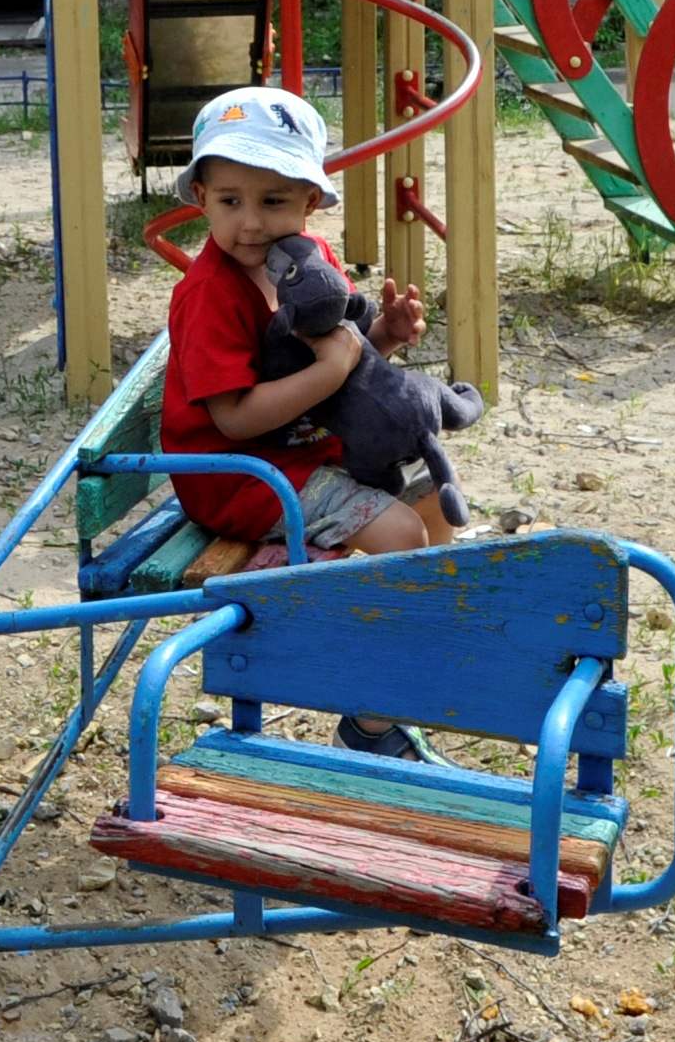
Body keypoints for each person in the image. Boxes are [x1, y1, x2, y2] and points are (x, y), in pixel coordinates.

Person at [157, 83, 462, 759]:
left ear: (309, 202)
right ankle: (371, 723)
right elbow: (234, 420)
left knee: (435, 502)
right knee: (403, 534)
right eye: (230, 201)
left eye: (273, 202)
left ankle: (395, 654)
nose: (251, 224)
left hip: (299, 450)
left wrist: (379, 338)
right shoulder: (210, 293)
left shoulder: (310, 262)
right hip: (238, 476)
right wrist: (333, 367)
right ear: (200, 197)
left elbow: (340, 366)